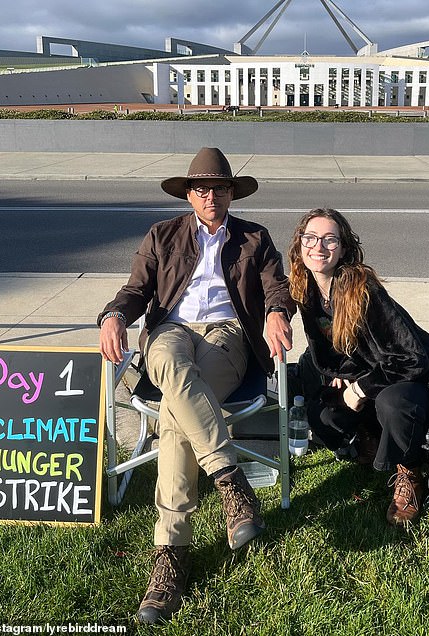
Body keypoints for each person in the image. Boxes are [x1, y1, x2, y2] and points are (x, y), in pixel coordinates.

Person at [98, 147, 295, 625]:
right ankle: (231, 481)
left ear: (231, 193)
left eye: (220, 188)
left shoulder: (254, 237)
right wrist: (114, 315)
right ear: (189, 195)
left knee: (174, 415)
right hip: (171, 332)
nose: (211, 196)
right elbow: (136, 289)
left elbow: (277, 287)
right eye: (202, 189)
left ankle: (170, 554)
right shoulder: (162, 235)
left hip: (228, 336)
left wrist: (274, 312)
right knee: (166, 358)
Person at [287, 208, 429, 526]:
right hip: (373, 371)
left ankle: (409, 473)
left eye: (330, 239)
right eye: (311, 238)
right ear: (299, 244)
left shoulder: (363, 291)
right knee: (323, 414)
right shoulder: (307, 288)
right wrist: (341, 375)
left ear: (344, 247)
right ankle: (372, 442)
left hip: (416, 378)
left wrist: (361, 387)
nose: (318, 246)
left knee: (394, 402)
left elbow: (413, 359)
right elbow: (336, 348)